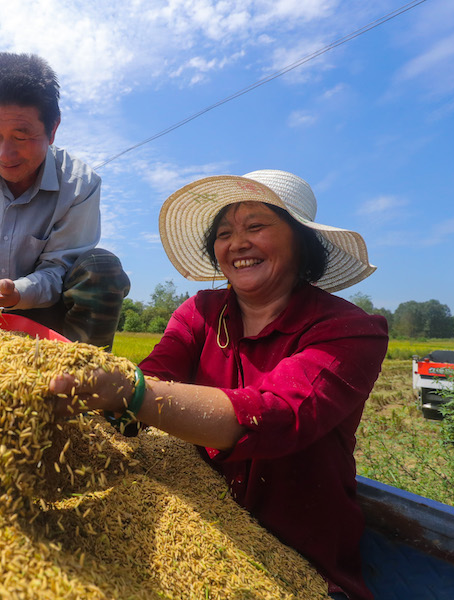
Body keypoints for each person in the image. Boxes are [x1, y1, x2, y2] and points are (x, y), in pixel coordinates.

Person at [50, 170, 388, 599]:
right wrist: (105, 396)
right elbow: (157, 373)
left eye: (256, 226)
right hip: (198, 528)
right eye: (224, 232)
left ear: (302, 241)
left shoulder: (348, 329)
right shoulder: (202, 313)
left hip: (301, 556)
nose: (238, 243)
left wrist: (133, 392)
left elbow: (278, 414)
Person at [0, 52, 130, 349]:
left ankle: (82, 379)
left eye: (22, 136)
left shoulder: (80, 185)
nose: (5, 154)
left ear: (52, 129)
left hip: (46, 317)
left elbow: (58, 269)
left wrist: (17, 292)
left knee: (102, 267)